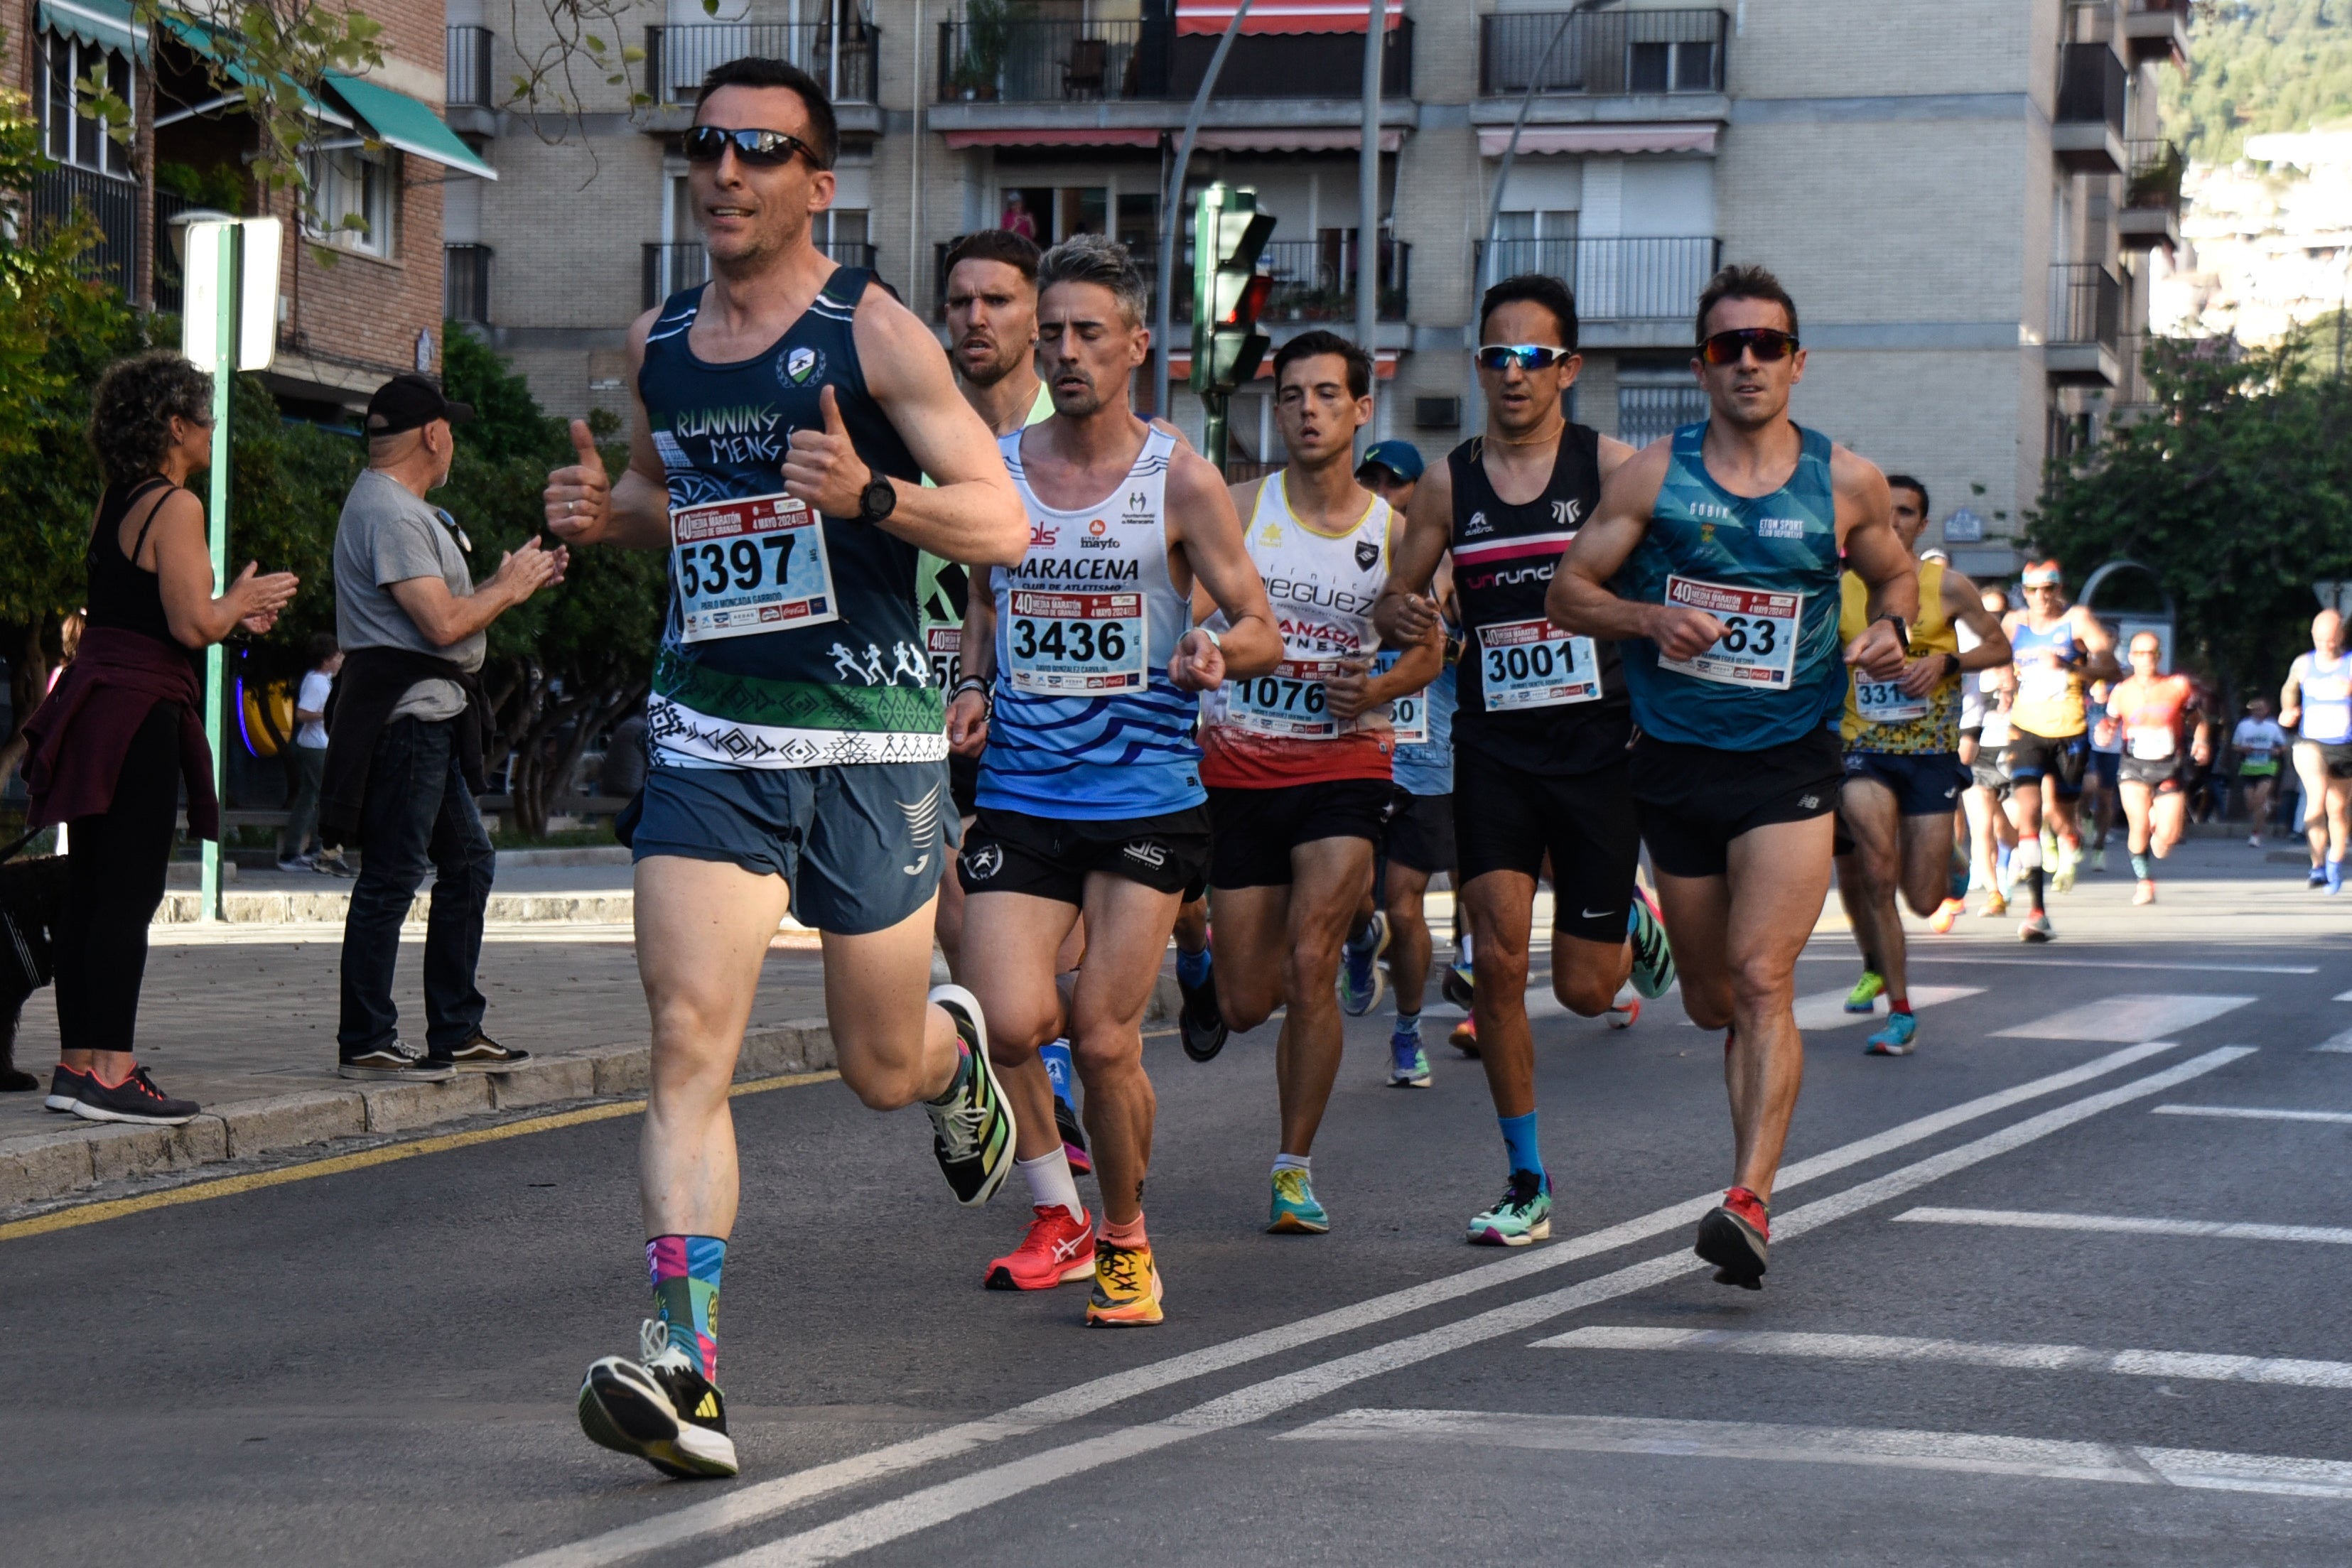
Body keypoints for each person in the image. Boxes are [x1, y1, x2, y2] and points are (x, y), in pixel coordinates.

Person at [544, 60, 1030, 1479]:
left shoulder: (870, 334)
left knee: (879, 1063)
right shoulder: (659, 344)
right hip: (713, 729)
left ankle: (954, 1059)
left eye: (761, 150)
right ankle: (684, 1360)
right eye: (707, 146)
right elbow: (665, 498)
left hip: (872, 740)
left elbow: (999, 522)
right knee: (691, 1033)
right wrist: (601, 510)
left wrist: (873, 494)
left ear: (820, 180)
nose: (725, 171)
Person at [1550, 264, 1916, 1289]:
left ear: (1796, 361)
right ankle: (1665, 938)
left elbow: (1890, 568)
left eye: (1766, 344)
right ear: (1701, 365)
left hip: (1789, 762)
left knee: (1762, 979)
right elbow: (1568, 590)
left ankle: (1748, 1198)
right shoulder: (1652, 480)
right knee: (1711, 1000)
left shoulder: (1843, 479)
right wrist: (1647, 616)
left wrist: (1885, 625)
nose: (1746, 361)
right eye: (1726, 347)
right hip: (1671, 763)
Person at [946, 234, 1278, 1315]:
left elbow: (1260, 622)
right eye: (1051, 334)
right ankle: (1061, 1211)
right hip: (1024, 790)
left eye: (1089, 332)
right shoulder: (996, 470)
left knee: (1098, 1036)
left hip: (1145, 795)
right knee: (1004, 1021)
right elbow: (986, 607)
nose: (1065, 351)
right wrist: (973, 685)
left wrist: (1217, 650)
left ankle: (1126, 1238)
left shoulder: (1177, 477)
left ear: (1138, 345)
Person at [1374, 274, 1676, 1250]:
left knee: (1588, 988)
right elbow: (1395, 594)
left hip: (1597, 748)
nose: (1513, 373)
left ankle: (1630, 910)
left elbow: (1671, 577)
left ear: (1567, 369)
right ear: (1478, 367)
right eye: (1496, 356)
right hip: (1492, 744)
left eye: (1533, 357)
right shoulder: (1445, 482)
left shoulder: (1614, 469)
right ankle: (1525, 1175)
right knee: (1500, 963)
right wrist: (1406, 611)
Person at [1191, 330, 1439, 1234]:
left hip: (1345, 763)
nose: (1306, 410)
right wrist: (1201, 653)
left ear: (1360, 409)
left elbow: (1429, 651)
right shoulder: (1237, 507)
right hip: (1239, 764)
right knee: (1246, 1001)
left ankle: (1292, 1166)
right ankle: (1204, 960)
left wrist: (1374, 686)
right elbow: (1188, 619)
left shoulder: (1396, 535)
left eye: (1326, 395)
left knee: (1310, 964)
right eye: (1292, 395)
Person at [23, 350, 298, 1125]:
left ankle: (76, 1065)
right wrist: (236, 599)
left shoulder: (116, 498)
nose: (213, 431)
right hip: (140, 710)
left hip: (98, 703)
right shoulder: (176, 506)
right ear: (175, 426)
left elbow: (145, 607)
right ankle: (113, 1070)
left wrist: (227, 608)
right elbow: (189, 623)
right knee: (129, 892)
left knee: (91, 888)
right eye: (205, 418)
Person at [326, 373, 560, 1084]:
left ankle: (455, 1028)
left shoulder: (399, 508)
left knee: (467, 863)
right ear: (432, 434)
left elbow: (449, 612)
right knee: (393, 876)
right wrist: (508, 587)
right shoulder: (393, 514)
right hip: (409, 722)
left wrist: (501, 583)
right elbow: (442, 622)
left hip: (430, 716)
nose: (452, 439)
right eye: (449, 427)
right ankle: (367, 1034)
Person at [1830, 475, 2008, 1055]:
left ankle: (1951, 859)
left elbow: (2000, 647)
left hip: (1929, 755)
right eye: (1885, 512)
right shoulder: (1838, 590)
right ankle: (1901, 1013)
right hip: (1863, 751)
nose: (1895, 522)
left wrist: (1947, 663)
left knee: (1926, 899)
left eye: (1906, 512)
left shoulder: (1947, 585)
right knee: (1877, 876)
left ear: (1921, 523)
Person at [1997, 561, 2118, 941]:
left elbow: (2111, 668)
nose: (2040, 597)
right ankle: (2037, 912)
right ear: (2024, 592)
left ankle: (2072, 839)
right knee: (2029, 815)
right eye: (2032, 590)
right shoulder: (2013, 624)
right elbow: (2000, 660)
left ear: (2058, 589)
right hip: (2026, 729)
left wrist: (2070, 669)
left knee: (2064, 816)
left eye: (2047, 589)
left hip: (2070, 732)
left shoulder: (2078, 620)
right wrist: (2003, 683)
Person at [2108, 631, 2210, 904]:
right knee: (2138, 824)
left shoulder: (2177, 686)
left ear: (2159, 657)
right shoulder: (2121, 691)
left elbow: (2198, 721)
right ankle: (2144, 882)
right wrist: (2104, 732)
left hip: (2168, 766)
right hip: (2133, 766)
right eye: (2139, 654)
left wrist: (2200, 741)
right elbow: (2109, 723)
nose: (2145, 660)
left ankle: (2160, 829)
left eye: (2150, 654)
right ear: (2130, 658)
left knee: (2167, 839)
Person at [2281, 609, 2352, 893]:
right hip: (2311, 743)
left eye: (2331, 640)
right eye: (2320, 639)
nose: (2326, 645)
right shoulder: (2303, 664)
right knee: (2317, 798)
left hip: (2345, 746)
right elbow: (2289, 688)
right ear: (2313, 636)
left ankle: (2335, 860)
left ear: (2341, 636)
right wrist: (2288, 708)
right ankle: (2317, 865)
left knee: (2338, 809)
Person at [279, 633, 341, 872]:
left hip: (317, 744)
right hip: (316, 746)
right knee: (319, 797)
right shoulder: (317, 682)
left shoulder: (319, 680)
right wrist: (329, 715)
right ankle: (304, 850)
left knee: (311, 796)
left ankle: (308, 848)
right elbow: (302, 714)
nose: (341, 661)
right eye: (337, 657)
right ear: (326, 660)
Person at [2230, 693, 2289, 847]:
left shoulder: (2273, 727)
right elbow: (2235, 745)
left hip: (2267, 766)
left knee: (2259, 799)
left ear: (2267, 710)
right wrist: (2244, 749)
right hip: (2249, 767)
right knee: (2251, 803)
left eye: (2261, 709)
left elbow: (2283, 746)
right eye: (2255, 709)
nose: (2258, 712)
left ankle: (2255, 834)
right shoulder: (2244, 725)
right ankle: (2265, 808)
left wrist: (2277, 751)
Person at [2084, 679, 2123, 872]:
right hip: (2089, 747)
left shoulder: (2119, 680)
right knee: (2090, 785)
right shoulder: (2087, 673)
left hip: (2113, 750)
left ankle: (2099, 848)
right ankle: (2085, 816)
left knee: (2105, 800)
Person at [1355, 438, 1423, 517]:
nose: (1380, 493)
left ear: (1418, 488)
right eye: (1371, 482)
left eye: (1395, 483)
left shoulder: (1432, 527)